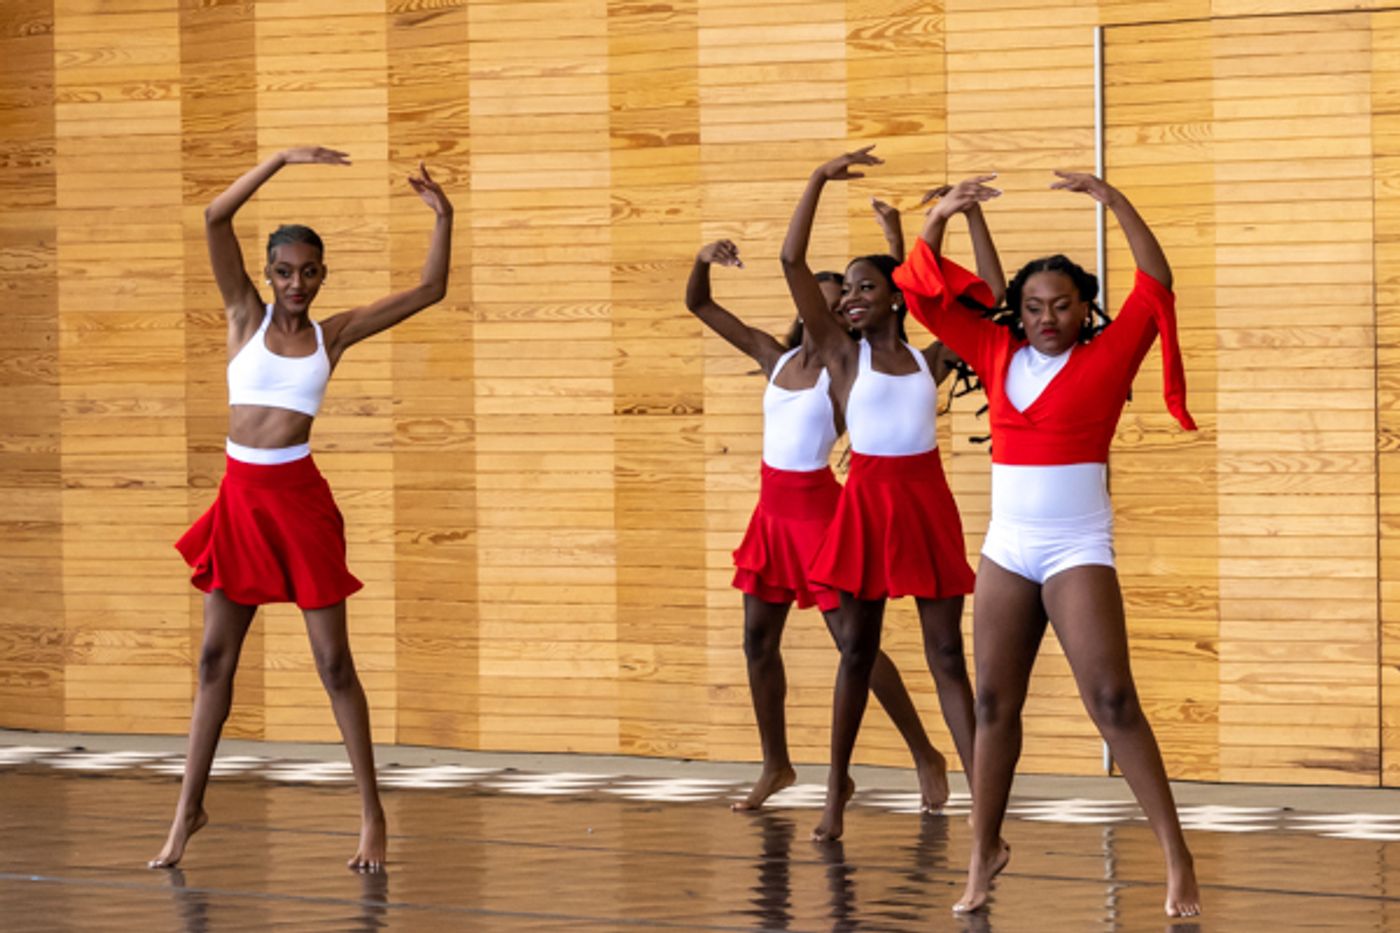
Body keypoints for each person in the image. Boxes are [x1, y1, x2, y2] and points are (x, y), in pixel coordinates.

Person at [897, 171, 1200, 918]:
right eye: (1033, 307)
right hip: (1009, 547)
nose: (1046, 317)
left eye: (1062, 305)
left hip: (1075, 546)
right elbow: (922, 294)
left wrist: (1115, 201)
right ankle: (982, 850)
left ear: (1083, 308)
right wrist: (938, 216)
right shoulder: (996, 351)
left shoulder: (1108, 356)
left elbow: (1156, 280)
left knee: (1112, 697)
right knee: (995, 702)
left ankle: (1176, 854)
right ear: (1020, 313)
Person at [149, 146, 454, 873]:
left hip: (299, 503)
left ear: (321, 276)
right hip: (240, 501)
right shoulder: (241, 314)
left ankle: (373, 817)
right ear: (267, 273)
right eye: (283, 270)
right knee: (214, 659)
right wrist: (281, 159)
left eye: (308, 271)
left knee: (333, 664)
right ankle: (188, 807)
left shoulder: (333, 333)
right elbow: (215, 215)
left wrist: (444, 216)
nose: (295, 282)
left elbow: (431, 289)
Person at [685, 212, 951, 814]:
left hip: (822, 517)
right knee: (757, 641)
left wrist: (896, 239)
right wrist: (702, 258)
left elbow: (894, 308)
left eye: (839, 305)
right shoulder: (772, 357)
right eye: (825, 302)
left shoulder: (845, 371)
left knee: (853, 644)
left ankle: (923, 752)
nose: (829, 310)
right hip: (771, 517)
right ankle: (776, 764)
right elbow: (700, 305)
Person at [780, 147, 1003, 843]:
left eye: (863, 287)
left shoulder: (933, 358)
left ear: (897, 296)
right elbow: (792, 263)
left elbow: (992, 299)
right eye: (844, 290)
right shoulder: (842, 353)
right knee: (856, 651)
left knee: (946, 657)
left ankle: (981, 799)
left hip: (926, 501)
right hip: (868, 504)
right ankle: (834, 796)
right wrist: (815, 179)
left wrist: (966, 218)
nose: (848, 297)